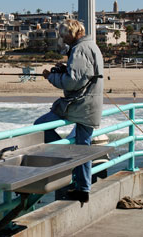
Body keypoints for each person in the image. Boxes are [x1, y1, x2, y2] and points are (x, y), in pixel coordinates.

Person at [34, 19, 104, 204]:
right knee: (83, 147)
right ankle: (83, 189)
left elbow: (71, 82)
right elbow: (82, 74)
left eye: (64, 34)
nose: (63, 38)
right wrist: (65, 70)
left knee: (40, 127)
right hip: (90, 104)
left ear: (73, 32)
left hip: (79, 104)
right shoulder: (91, 46)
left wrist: (52, 76)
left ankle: (67, 158)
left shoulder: (79, 49)